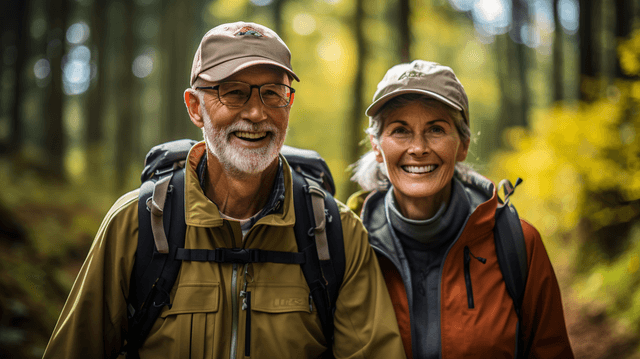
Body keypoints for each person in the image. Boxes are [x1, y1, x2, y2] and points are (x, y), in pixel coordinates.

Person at [43, 21, 405, 359]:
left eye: (272, 94)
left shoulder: (336, 231)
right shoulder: (136, 224)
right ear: (195, 107)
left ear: (288, 104)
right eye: (233, 93)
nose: (256, 113)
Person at [347, 60, 574, 358]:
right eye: (400, 130)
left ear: (463, 144)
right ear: (377, 147)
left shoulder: (518, 243)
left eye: (436, 129)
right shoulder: (348, 245)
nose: (418, 148)